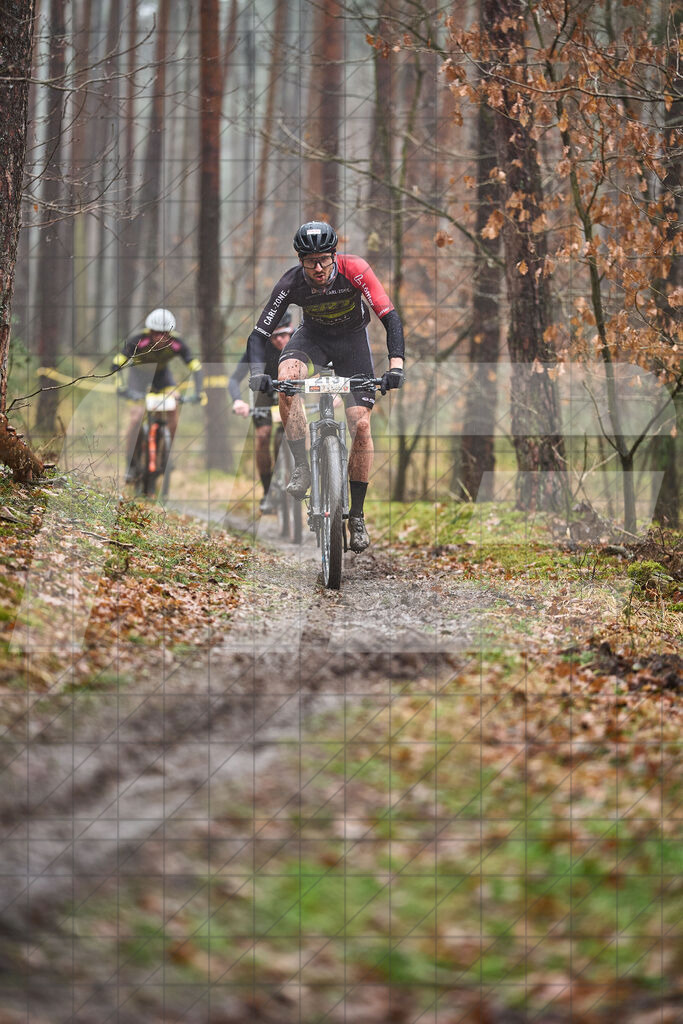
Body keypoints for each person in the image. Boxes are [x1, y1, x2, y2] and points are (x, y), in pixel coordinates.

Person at [247, 221, 405, 552]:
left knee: (361, 424)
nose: (318, 268)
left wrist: (395, 367)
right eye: (310, 261)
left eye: (323, 260)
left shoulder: (355, 269)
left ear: (334, 255)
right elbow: (259, 334)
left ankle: (356, 515)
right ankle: (302, 467)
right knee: (287, 380)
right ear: (300, 261)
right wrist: (258, 373)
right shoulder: (291, 282)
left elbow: (389, 316)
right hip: (312, 338)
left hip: (352, 343)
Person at [111, 308, 203, 478]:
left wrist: (199, 392)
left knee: (173, 408)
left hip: (161, 377)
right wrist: (121, 388)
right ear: (150, 331)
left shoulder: (177, 343)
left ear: (170, 333)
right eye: (155, 333)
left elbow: (195, 366)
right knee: (136, 418)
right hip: (138, 378)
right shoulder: (139, 340)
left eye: (164, 334)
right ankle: (130, 463)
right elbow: (116, 363)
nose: (160, 337)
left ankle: (165, 452)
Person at [229, 314, 295, 513]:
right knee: (263, 435)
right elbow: (234, 379)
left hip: (290, 391)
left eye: (284, 335)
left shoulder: (300, 342)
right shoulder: (260, 347)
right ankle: (267, 492)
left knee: (299, 431)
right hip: (265, 393)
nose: (279, 340)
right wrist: (237, 400)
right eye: (274, 336)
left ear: (291, 330)